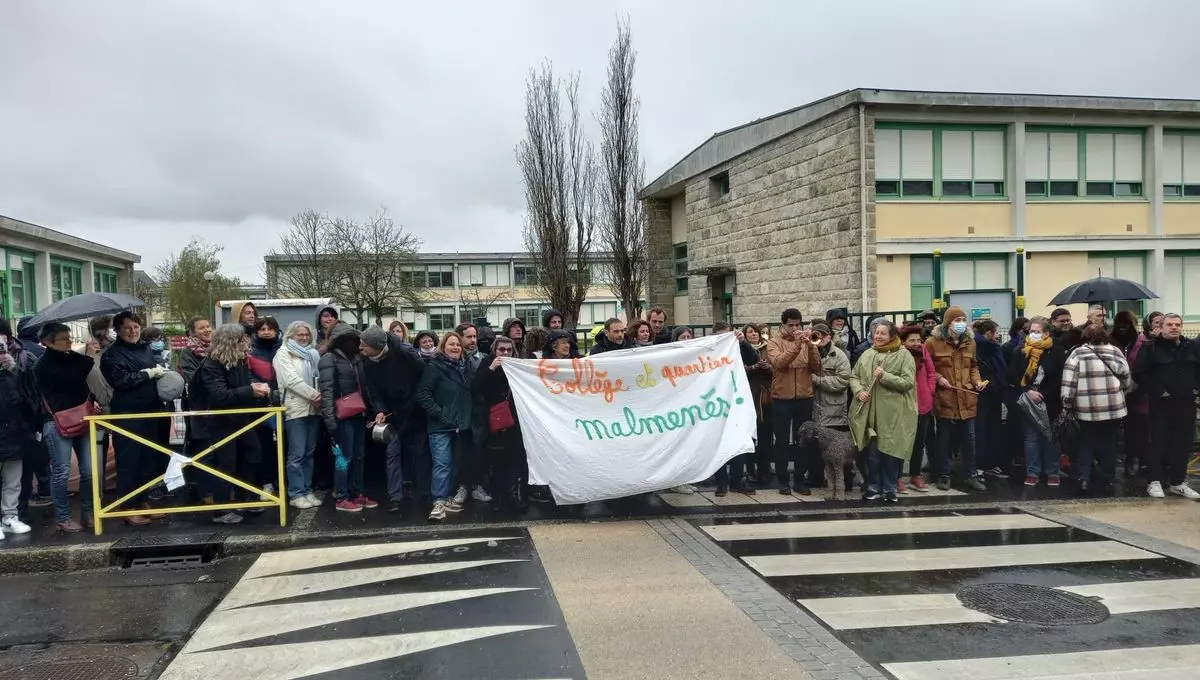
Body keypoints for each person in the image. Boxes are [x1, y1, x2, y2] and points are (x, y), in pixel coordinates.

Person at [194, 325, 272, 524]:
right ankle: (221, 509)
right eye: (241, 339)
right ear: (231, 342)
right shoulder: (211, 364)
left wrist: (256, 389)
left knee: (254, 453)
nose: (246, 342)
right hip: (220, 420)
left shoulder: (239, 360)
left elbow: (244, 383)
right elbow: (220, 395)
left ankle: (244, 497)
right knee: (226, 463)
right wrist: (250, 390)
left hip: (239, 418)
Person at [100, 311, 170, 526]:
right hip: (128, 413)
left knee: (147, 460)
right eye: (128, 328)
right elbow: (120, 381)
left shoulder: (146, 348)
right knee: (129, 461)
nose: (133, 331)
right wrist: (147, 374)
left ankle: (142, 500)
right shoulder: (112, 354)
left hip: (151, 411)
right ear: (118, 331)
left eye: (136, 327)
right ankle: (127, 506)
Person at [34, 323, 99, 532]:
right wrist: (88, 356)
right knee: (61, 471)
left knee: (89, 470)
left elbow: (84, 380)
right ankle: (63, 517)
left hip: (82, 418)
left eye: (70, 337)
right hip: (56, 422)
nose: (70, 341)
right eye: (65, 338)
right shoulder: (43, 365)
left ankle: (89, 512)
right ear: (48, 342)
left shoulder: (74, 358)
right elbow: (70, 380)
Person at [360, 326, 427, 514]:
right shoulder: (368, 360)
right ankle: (395, 496)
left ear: (377, 346)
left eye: (364, 345)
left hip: (414, 411)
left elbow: (423, 381)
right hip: (391, 414)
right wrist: (380, 409)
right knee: (392, 453)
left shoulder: (406, 354)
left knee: (416, 452)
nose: (361, 348)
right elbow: (371, 388)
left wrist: (410, 406)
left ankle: (418, 490)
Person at [1133, 313, 1200, 499]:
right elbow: (1138, 372)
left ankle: (1178, 482)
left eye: (1177, 324)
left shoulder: (1191, 346)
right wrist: (1158, 391)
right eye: (1169, 324)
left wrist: (1196, 390)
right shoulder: (1151, 348)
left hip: (1186, 403)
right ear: (1160, 327)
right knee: (1158, 443)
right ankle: (1154, 481)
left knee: (1183, 443)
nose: (1174, 327)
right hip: (1161, 404)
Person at [849, 320, 917, 503]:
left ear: (892, 335)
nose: (878, 336)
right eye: (876, 333)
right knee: (872, 453)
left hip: (893, 414)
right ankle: (873, 487)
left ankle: (889, 488)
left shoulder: (904, 355)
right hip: (870, 413)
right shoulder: (867, 354)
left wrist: (884, 376)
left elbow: (908, 382)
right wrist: (858, 391)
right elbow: (854, 376)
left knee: (890, 452)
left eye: (882, 333)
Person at [1061, 325, 1130, 495]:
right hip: (1113, 407)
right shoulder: (1115, 351)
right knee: (1108, 442)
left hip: (1086, 408)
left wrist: (1066, 404)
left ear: (1085, 336)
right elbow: (1126, 377)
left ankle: (1084, 478)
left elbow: (1069, 382)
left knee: (1086, 442)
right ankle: (1107, 477)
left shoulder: (1078, 353)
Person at [926, 306, 987, 492]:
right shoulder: (932, 342)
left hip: (966, 396)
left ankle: (970, 475)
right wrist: (938, 379)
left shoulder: (970, 342)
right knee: (943, 438)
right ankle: (943, 475)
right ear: (947, 322)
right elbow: (927, 369)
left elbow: (973, 366)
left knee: (969, 439)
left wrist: (977, 381)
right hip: (945, 397)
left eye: (963, 320)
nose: (960, 324)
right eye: (956, 320)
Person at [318, 323, 377, 512]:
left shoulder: (357, 359)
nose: (355, 343)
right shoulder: (329, 359)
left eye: (355, 339)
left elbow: (366, 387)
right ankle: (342, 497)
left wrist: (371, 409)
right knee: (344, 457)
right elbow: (326, 391)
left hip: (359, 413)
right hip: (341, 416)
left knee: (359, 456)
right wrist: (330, 420)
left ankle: (357, 494)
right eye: (350, 339)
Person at [416, 331, 475, 520]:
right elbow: (423, 395)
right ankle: (438, 502)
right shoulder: (435, 367)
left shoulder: (466, 368)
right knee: (442, 464)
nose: (456, 347)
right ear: (443, 347)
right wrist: (442, 415)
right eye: (451, 344)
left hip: (460, 426)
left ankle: (448, 496)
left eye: (458, 344)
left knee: (456, 464)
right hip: (440, 426)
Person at [766, 308, 823, 495]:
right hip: (781, 399)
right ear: (783, 324)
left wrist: (812, 346)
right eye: (791, 325)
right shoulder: (774, 342)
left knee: (803, 441)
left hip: (804, 398)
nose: (795, 328)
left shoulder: (807, 343)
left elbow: (816, 368)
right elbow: (780, 363)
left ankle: (800, 480)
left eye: (797, 324)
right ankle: (783, 481)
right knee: (782, 441)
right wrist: (797, 345)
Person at [1008, 317, 1065, 488]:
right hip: (1027, 399)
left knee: (1050, 436)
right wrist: (1028, 391)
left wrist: (1043, 393)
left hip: (1050, 399)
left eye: (1037, 331)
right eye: (1030, 331)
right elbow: (1013, 375)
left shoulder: (1056, 352)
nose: (1032, 334)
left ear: (1047, 333)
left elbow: (1059, 377)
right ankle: (1032, 472)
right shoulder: (1021, 351)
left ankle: (1052, 471)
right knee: (1031, 436)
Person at [273, 321, 323, 510]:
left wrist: (318, 398)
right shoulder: (283, 353)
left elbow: (318, 377)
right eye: (299, 334)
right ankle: (296, 493)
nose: (303, 338)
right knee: (297, 454)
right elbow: (290, 380)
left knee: (309, 454)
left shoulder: (313, 354)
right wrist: (315, 395)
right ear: (291, 335)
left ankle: (307, 489)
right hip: (296, 408)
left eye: (306, 334)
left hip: (314, 409)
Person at [474, 336, 527, 511]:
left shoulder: (518, 365)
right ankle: (500, 497)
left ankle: (514, 497)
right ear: (494, 350)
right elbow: (476, 386)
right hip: (494, 420)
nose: (505, 353)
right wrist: (491, 369)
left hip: (516, 420)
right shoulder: (487, 364)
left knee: (515, 460)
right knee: (497, 461)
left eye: (508, 350)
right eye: (501, 349)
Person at [712, 322, 765, 495]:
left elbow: (753, 359)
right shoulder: (709, 350)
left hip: (737, 400)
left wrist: (742, 342)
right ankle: (721, 482)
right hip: (717, 402)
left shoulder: (738, 347)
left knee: (738, 441)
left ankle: (737, 480)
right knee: (719, 442)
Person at [0, 335, 39, 539]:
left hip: (14, 434)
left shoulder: (12, 374)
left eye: (1, 350)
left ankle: (9, 516)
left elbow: (25, 402)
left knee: (13, 481)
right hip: (8, 433)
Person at [810, 321, 853, 491]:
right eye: (815, 335)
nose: (818, 339)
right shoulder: (809, 351)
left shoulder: (839, 355)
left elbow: (843, 380)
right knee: (818, 450)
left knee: (840, 449)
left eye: (822, 335)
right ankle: (818, 480)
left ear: (829, 337)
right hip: (816, 408)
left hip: (834, 409)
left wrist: (819, 380)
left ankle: (845, 484)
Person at [248, 316, 282, 498]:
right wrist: (260, 387)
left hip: (284, 402)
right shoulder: (250, 350)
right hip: (259, 403)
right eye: (262, 329)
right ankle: (266, 482)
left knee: (287, 444)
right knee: (263, 446)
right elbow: (247, 374)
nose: (267, 332)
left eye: (270, 328)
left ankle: (284, 481)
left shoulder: (285, 347)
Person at [901, 324, 937, 492]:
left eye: (918, 339)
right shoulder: (900, 354)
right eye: (912, 340)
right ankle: (897, 477)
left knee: (919, 442)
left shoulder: (923, 351)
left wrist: (930, 391)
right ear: (904, 342)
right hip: (904, 404)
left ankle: (916, 474)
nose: (916, 343)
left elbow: (931, 372)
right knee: (901, 442)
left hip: (923, 403)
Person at [972, 319, 1009, 480]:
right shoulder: (986, 348)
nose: (998, 336)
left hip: (991, 393)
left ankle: (985, 464)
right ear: (989, 333)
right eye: (996, 333)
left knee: (988, 429)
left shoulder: (989, 347)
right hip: (986, 392)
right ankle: (982, 465)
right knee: (985, 430)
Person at [743, 324, 774, 484]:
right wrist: (753, 367)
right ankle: (750, 470)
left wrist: (767, 367)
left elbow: (776, 369)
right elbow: (739, 369)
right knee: (750, 436)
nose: (753, 334)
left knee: (765, 435)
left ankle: (764, 468)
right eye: (750, 331)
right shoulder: (741, 349)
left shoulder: (768, 348)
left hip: (765, 396)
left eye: (755, 331)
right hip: (750, 395)